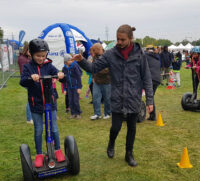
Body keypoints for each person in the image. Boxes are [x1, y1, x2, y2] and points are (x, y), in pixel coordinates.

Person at [72, 24, 153, 167]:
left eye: (122, 40)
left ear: (130, 38)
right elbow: (93, 68)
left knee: (132, 128)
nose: (119, 42)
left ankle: (129, 154)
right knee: (115, 127)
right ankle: (111, 143)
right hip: (117, 97)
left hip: (133, 98)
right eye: (118, 39)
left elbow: (146, 77)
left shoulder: (140, 54)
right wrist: (82, 61)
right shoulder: (110, 54)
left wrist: (150, 100)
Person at [20, 38, 65, 168]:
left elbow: (58, 74)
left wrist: (60, 75)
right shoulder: (28, 67)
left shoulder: (49, 65)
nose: (41, 58)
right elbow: (22, 81)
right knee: (38, 129)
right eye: (38, 56)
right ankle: (39, 154)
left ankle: (57, 150)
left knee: (54, 128)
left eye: (43, 56)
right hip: (36, 104)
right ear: (32, 54)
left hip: (50, 102)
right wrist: (30, 78)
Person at [90, 43, 111, 120]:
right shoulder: (95, 57)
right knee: (95, 97)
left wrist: (98, 71)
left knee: (107, 98)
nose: (94, 52)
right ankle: (97, 114)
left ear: (99, 49)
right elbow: (93, 67)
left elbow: (108, 69)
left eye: (95, 50)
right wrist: (93, 76)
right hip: (96, 81)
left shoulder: (108, 56)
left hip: (107, 81)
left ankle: (107, 113)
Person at [62, 54, 82, 119]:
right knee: (70, 101)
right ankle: (73, 113)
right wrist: (64, 89)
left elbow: (78, 77)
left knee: (76, 100)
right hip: (69, 87)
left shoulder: (75, 66)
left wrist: (79, 87)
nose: (71, 61)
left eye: (71, 59)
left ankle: (78, 113)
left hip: (75, 86)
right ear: (65, 62)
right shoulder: (64, 68)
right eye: (69, 60)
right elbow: (64, 80)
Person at [18, 44, 33, 124]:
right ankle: (29, 118)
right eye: (30, 51)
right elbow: (25, 71)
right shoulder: (23, 59)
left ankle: (31, 117)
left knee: (32, 98)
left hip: (29, 80)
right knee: (30, 99)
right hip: (28, 80)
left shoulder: (25, 58)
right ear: (27, 50)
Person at [145, 45, 161, 121]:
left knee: (149, 97)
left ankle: (152, 116)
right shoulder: (157, 57)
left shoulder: (146, 56)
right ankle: (152, 115)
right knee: (151, 97)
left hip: (151, 79)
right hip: (157, 80)